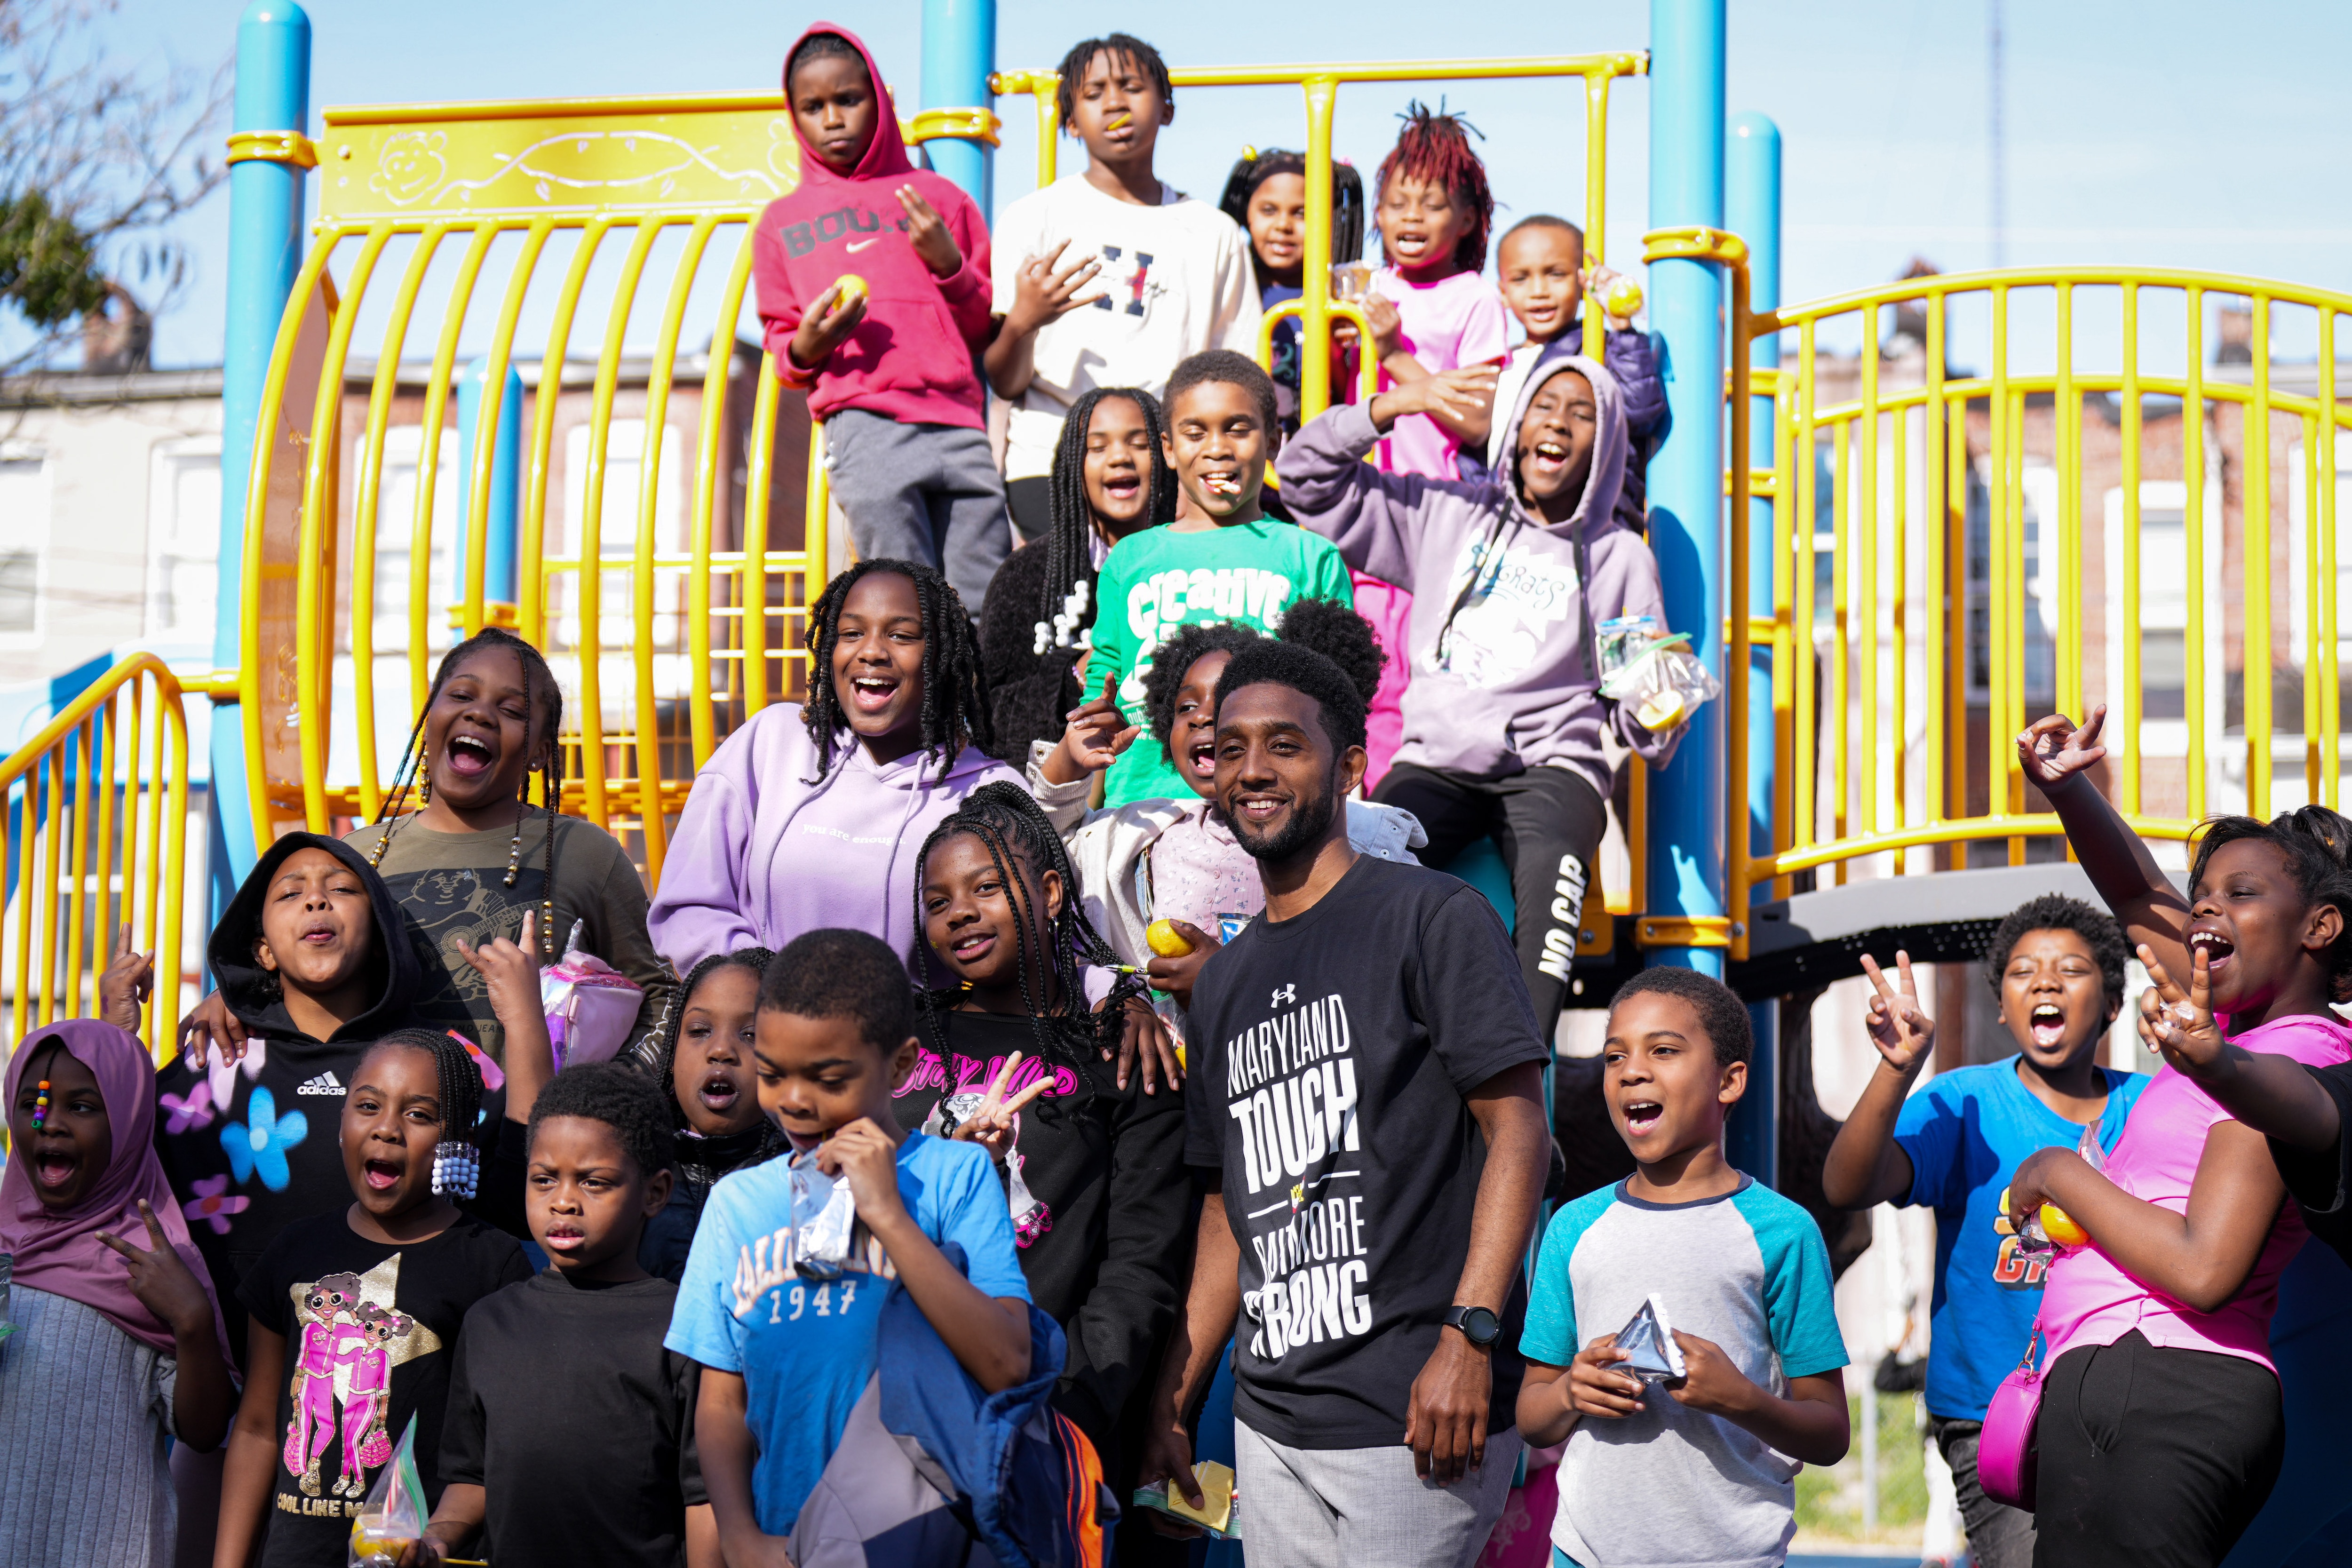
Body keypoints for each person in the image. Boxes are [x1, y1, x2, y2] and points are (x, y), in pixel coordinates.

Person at [1139, 637, 1553, 1568]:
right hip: (1272, 1421)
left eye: (1284, 745)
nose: (1251, 769)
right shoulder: (1227, 980)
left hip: (1419, 1409)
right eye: (1230, 747)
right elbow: (1224, 1211)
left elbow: (1518, 1130)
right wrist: (1175, 1398)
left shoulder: (1432, 917)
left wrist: (1470, 1336)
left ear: (1351, 768)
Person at [2006, 708, 2352, 1567]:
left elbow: (2205, 1266)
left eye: (2241, 894)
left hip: (2162, 1386)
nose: (2204, 910)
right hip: (2127, 1387)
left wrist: (2057, 1168)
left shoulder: (2290, 1051)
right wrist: (2069, 790)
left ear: (2320, 927)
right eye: (2202, 896)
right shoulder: (2237, 1031)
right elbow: (2135, 894)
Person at [1278, 354, 1684, 1051]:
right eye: (1543, 405)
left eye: (1583, 413)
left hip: (1554, 767)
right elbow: (1306, 480)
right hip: (1439, 756)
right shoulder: (1450, 512)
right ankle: (1372, 1056)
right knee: (1369, 861)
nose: (1559, 422)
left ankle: (1521, 1091)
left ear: (1608, 442)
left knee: (1550, 893)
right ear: (1515, 425)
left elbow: (1641, 711)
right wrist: (1398, 402)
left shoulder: (1619, 558)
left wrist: (1658, 707)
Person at [667, 928, 1034, 1557]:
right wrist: (741, 1538)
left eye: (829, 1078)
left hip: (930, 1538)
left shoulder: (954, 1176)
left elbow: (1008, 1364)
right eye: (773, 1075)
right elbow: (722, 1402)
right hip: (786, 1539)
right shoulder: (738, 1203)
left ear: (898, 1065)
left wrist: (889, 1212)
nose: (796, 1103)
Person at [898, 783, 1189, 1557]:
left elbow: (1142, 1262)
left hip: (1051, 1417)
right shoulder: (899, 1030)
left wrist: (1073, 1405)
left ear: (1051, 891)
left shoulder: (1122, 1048)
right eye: (938, 900)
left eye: (987, 887)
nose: (959, 911)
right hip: (901, 1410)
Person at [1819, 900, 2148, 1568]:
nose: (2047, 983)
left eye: (2072, 971)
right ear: (2002, 1004)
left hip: (2128, 1409)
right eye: (2024, 972)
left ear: (2113, 1003)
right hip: (1997, 1413)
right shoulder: (1961, 1100)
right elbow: (1848, 1185)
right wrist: (1895, 1070)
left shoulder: (2150, 1109)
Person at [180, 629, 672, 1068]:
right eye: (460, 695)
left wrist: (603, 1097)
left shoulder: (583, 853)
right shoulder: (355, 856)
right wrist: (239, 1004)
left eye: (512, 710)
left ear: (541, 751)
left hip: (526, 1148)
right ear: (430, 716)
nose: (479, 712)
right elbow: (302, 972)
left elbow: (657, 998)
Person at [1518, 969, 1851, 1568]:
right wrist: (1571, 1389)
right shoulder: (1571, 1228)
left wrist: (1741, 1399)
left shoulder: (1783, 1231)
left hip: (1733, 1555)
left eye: (1663, 1050)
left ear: (1729, 1081)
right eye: (1613, 1056)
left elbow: (1829, 1431)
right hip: (1582, 1552)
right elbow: (1532, 1417)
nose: (1631, 1070)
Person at [1029, 598, 1425, 1036]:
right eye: (1185, 707)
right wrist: (1069, 760)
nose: (1203, 716)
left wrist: (1225, 982)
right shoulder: (1150, 835)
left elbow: (1391, 965)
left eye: (1226, 704)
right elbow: (1037, 852)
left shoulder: (1359, 833)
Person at [213, 1028, 528, 1567]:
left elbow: (498, 1451)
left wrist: (440, 1539)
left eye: (419, 1115)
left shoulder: (491, 1265)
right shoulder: (294, 1251)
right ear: (342, 1124)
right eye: (367, 1106)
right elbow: (259, 1427)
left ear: (457, 1141)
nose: (387, 1129)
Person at [649, 559, 1017, 980]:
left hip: (909, 1040)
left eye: (901, 635)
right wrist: (769, 989)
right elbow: (689, 907)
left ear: (943, 658)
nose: (872, 651)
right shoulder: (770, 743)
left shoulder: (990, 790)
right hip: (760, 1025)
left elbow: (1048, 938)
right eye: (851, 633)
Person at [407, 1063, 714, 1568]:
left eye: (594, 1183)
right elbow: (473, 1477)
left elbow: (703, 1498)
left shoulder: (683, 1327)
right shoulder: (490, 1323)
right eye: (544, 1180)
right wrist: (438, 1537)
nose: (564, 1202)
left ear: (654, 1193)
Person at [755, 26, 1006, 611]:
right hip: (865, 425)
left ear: (880, 100)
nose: (833, 118)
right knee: (903, 596)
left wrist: (950, 265)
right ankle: (916, 707)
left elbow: (977, 328)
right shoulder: (781, 223)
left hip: (958, 424)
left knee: (982, 595)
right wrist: (808, 345)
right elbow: (783, 349)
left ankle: (975, 705)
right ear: (795, 119)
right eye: (812, 108)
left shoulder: (939, 199)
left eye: (848, 99)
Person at [986, 32, 1261, 540]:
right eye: (1093, 94)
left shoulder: (1212, 231)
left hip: (1172, 466)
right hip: (1049, 459)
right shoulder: (1033, 218)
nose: (1114, 103)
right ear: (1069, 121)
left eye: (1131, 87)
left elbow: (1236, 373)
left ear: (1167, 108)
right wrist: (1023, 323)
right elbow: (1005, 380)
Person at [0, 1021, 238, 1568]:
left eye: (82, 1107)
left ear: (129, 1126)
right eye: (33, 1105)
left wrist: (194, 1322)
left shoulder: (159, 1263)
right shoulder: (3, 1251)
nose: (50, 1125)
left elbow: (203, 1433)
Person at [1085, 350, 1354, 807]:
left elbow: (1338, 704)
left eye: (1236, 428)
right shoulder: (1129, 558)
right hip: (1142, 813)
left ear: (1272, 441)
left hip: (1268, 809)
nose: (1216, 448)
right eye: (1195, 432)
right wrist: (1088, 816)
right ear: (1168, 449)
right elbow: (1101, 698)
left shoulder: (1310, 557)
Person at [1350, 103, 1511, 785]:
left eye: (1433, 203)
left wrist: (1391, 354)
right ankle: (1369, 807)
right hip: (1362, 503)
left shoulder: (1474, 298)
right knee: (1370, 665)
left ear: (1470, 219)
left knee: (1431, 664)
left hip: (1440, 509)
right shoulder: (1363, 288)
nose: (1411, 218)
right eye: (1396, 203)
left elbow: (1479, 420)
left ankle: (1424, 804)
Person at [977, 386, 1177, 764]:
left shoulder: (1193, 564)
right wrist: (1073, 676)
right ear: (1074, 466)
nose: (1120, 457)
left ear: (1166, 454)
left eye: (1139, 443)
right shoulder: (1026, 575)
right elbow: (991, 714)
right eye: (1097, 447)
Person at [1474, 216, 1665, 541]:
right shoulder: (1498, 362)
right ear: (1503, 292)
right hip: (1511, 523)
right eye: (1521, 279)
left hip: (1585, 525)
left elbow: (1641, 409)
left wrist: (1622, 327)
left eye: (1555, 274)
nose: (1539, 291)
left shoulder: (1598, 346)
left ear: (1582, 282)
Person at [1216, 147, 1367, 432]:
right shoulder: (1230, 288)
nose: (1283, 225)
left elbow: (1349, 393)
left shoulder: (1340, 298)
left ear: (1333, 219)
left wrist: (1338, 345)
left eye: (1302, 213)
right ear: (1246, 211)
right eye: (1269, 210)